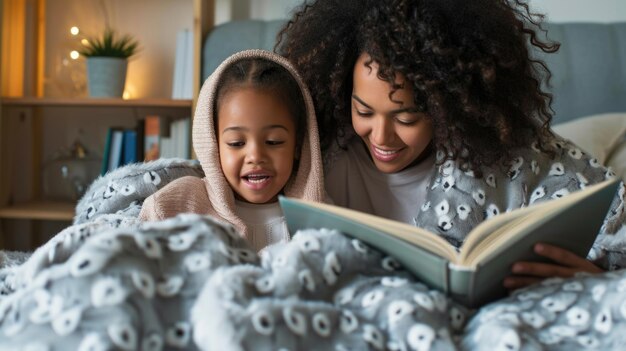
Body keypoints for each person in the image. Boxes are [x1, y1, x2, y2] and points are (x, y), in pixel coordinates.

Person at [277, 0, 625, 288]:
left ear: (447, 108)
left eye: (406, 118)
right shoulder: (316, 156)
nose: (381, 137)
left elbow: (610, 215)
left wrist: (596, 278)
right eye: (363, 110)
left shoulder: (505, 152)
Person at [139, 49, 325, 252]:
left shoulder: (324, 219)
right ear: (213, 145)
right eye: (236, 143)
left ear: (298, 145)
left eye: (273, 141)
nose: (255, 156)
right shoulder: (175, 206)